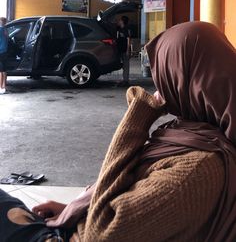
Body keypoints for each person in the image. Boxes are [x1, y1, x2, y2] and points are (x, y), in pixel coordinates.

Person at [0, 21, 236, 241]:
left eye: (165, 70)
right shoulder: (193, 134)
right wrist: (77, 207)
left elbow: (98, 234)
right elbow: (131, 191)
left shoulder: (197, 167)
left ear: (184, 78)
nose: (159, 82)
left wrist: (138, 115)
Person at [116, 15, 131, 86]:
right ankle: (124, 79)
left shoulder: (126, 29)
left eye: (120, 20)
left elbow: (128, 40)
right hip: (120, 49)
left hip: (125, 50)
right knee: (123, 65)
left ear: (122, 21)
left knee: (126, 65)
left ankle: (126, 80)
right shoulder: (119, 29)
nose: (118, 21)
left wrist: (128, 50)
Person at [0, 17, 8, 94]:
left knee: (1, 71)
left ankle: (1, 87)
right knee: (4, 70)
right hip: (4, 51)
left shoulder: (0, 29)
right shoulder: (6, 30)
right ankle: (4, 86)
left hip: (0, 51)